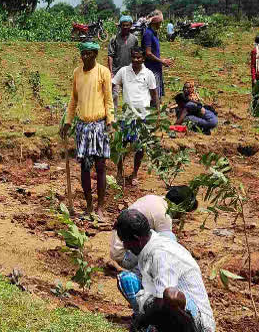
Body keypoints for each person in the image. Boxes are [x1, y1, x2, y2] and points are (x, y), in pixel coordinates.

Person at [114, 209, 215, 332]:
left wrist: (140, 322)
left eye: (125, 242)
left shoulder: (161, 254)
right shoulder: (148, 246)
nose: (125, 246)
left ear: (137, 239)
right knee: (126, 280)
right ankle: (157, 331)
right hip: (165, 306)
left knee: (170, 296)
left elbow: (162, 300)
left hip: (196, 321)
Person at [61, 42, 115, 222]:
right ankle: (89, 205)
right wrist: (68, 122)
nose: (84, 57)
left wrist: (110, 122)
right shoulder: (77, 73)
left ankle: (100, 207)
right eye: (82, 54)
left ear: (95, 55)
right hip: (82, 125)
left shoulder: (103, 73)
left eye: (88, 54)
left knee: (100, 166)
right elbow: (73, 99)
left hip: (99, 124)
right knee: (84, 167)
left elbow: (109, 100)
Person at [109, 186, 198, 272]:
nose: (184, 215)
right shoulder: (164, 215)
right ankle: (139, 272)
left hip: (118, 249)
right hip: (124, 256)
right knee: (169, 240)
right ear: (180, 207)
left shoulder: (155, 199)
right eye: (185, 212)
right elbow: (167, 247)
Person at [112, 47, 159, 186]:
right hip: (127, 116)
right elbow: (113, 85)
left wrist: (156, 116)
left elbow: (154, 95)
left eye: (139, 57)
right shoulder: (123, 71)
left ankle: (135, 173)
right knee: (121, 145)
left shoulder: (148, 74)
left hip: (142, 117)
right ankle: (119, 173)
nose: (136, 60)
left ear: (143, 58)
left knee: (139, 147)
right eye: (133, 57)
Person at [142, 10, 174, 97]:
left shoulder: (154, 33)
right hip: (151, 69)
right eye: (160, 22)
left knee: (157, 94)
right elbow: (148, 53)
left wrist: (161, 61)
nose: (161, 24)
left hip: (156, 68)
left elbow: (153, 53)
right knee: (154, 95)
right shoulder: (148, 34)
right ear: (156, 22)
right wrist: (162, 61)